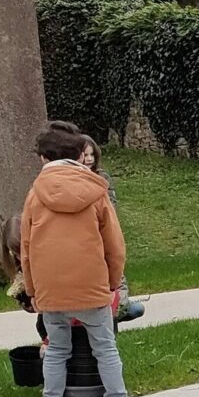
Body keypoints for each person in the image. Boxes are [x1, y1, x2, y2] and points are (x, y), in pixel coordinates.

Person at [20, 128, 130, 397]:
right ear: (79, 155)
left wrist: (32, 291)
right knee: (105, 349)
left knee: (57, 350)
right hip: (91, 287)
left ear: (44, 158)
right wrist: (111, 283)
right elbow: (115, 245)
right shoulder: (96, 191)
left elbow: (26, 250)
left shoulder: (34, 195)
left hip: (51, 290)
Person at [79, 134, 145, 322]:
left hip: (104, 231)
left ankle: (119, 307)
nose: (89, 159)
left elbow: (111, 208)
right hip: (89, 238)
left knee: (114, 269)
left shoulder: (102, 179)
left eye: (92, 154)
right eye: (85, 155)